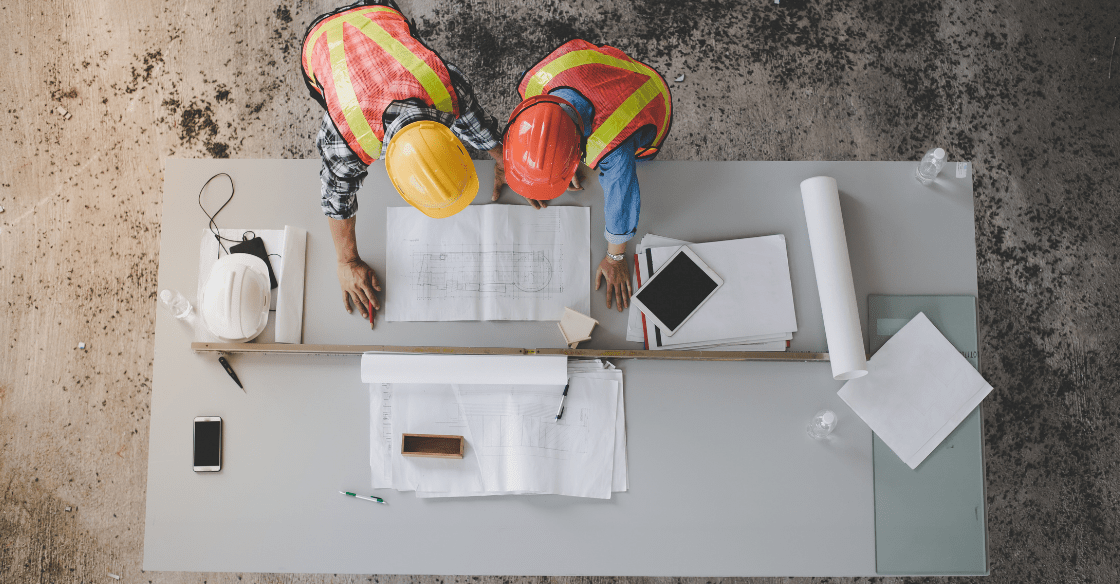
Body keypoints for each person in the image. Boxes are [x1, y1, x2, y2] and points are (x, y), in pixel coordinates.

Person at [301, 0, 508, 320]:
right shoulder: (346, 138)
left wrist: (506, 160)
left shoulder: (443, 83)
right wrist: (346, 261)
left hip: (378, 11)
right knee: (330, 94)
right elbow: (336, 196)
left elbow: (472, 120)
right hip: (322, 40)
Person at [501, 39, 672, 311]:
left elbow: (623, 199)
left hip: (648, 100)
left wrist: (615, 258)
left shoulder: (614, 147)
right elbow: (541, 134)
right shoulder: (536, 84)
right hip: (601, 73)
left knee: (638, 155)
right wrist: (539, 169)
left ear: (579, 154)